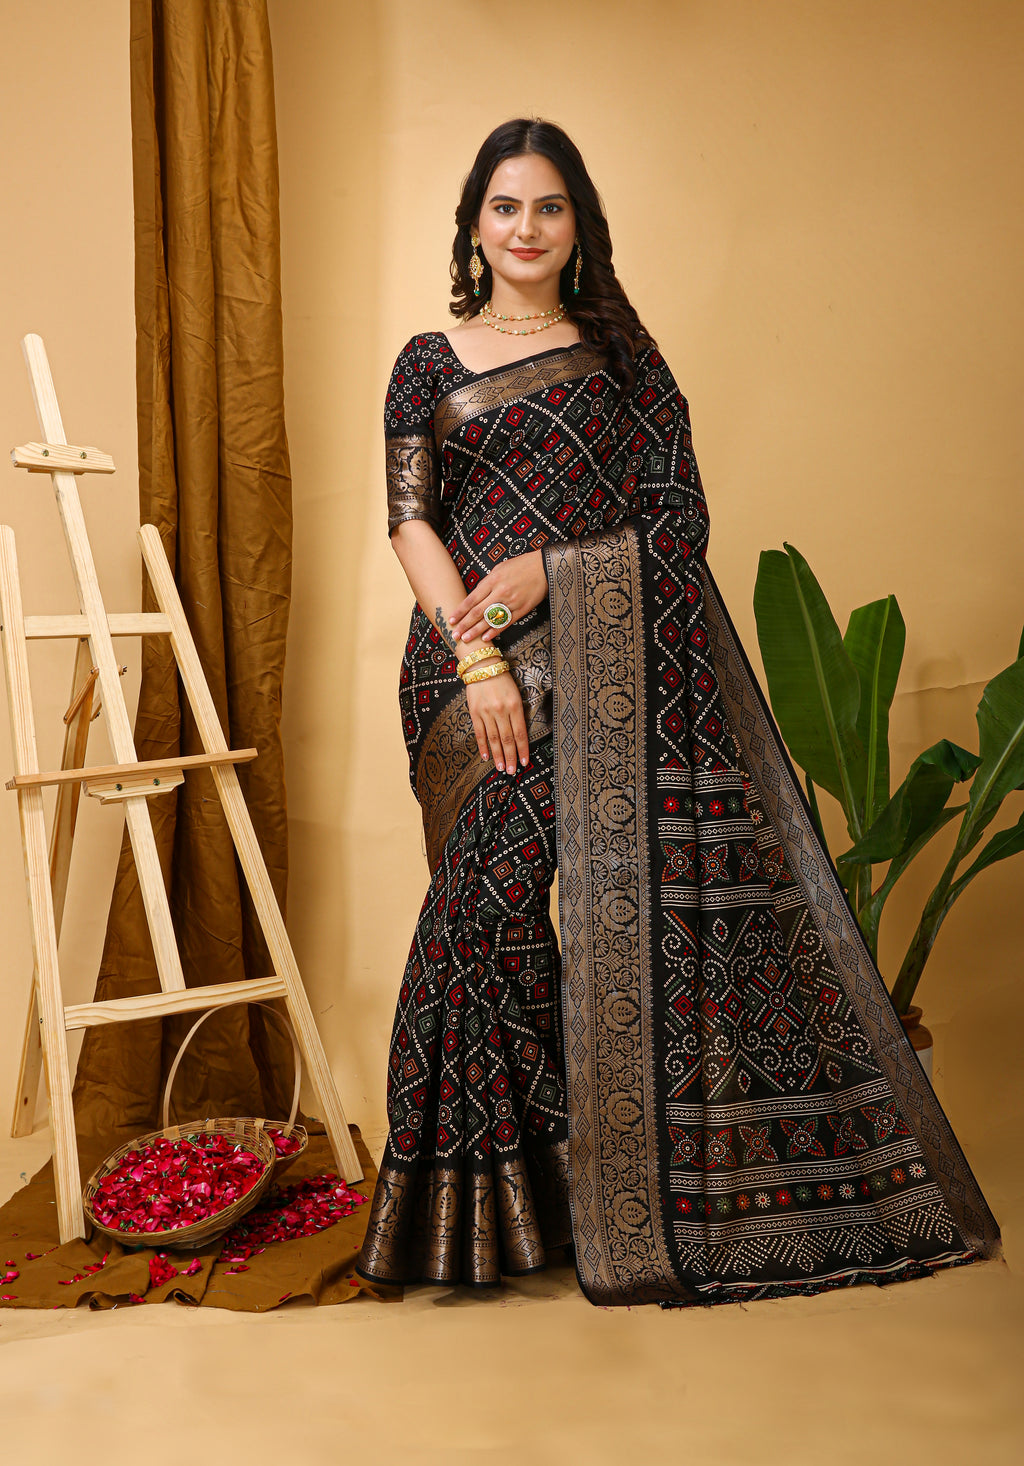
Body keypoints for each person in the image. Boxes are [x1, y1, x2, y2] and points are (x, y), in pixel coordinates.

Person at [354, 118, 1000, 1307]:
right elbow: (411, 519)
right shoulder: (426, 360)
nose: (526, 228)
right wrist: (480, 655)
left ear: (577, 225)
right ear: (473, 224)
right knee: (484, 906)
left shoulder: (623, 357)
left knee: (510, 913)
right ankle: (495, 1203)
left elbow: (675, 518)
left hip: (606, 663)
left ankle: (526, 1199)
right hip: (463, 669)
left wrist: (554, 570)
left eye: (549, 207)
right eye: (505, 207)